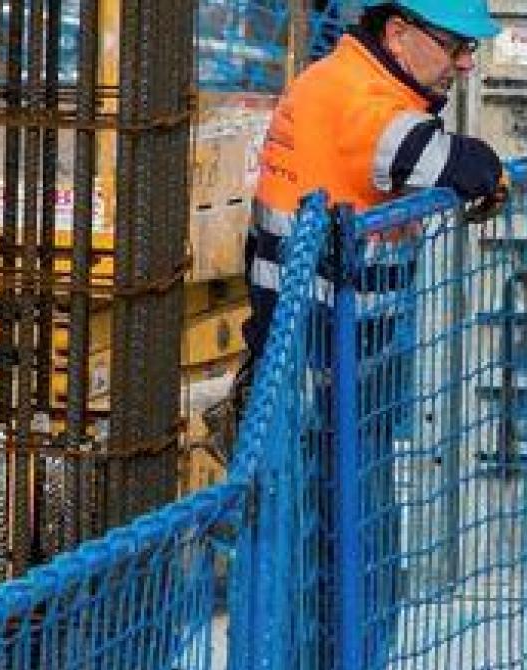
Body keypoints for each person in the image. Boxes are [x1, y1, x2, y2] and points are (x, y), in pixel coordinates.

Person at [210, 0, 510, 453]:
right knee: (327, 513)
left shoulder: (355, 79)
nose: (466, 63)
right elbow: (450, 163)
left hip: (322, 350)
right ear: (397, 33)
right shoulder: (358, 97)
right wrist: (490, 168)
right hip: (315, 362)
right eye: (455, 47)